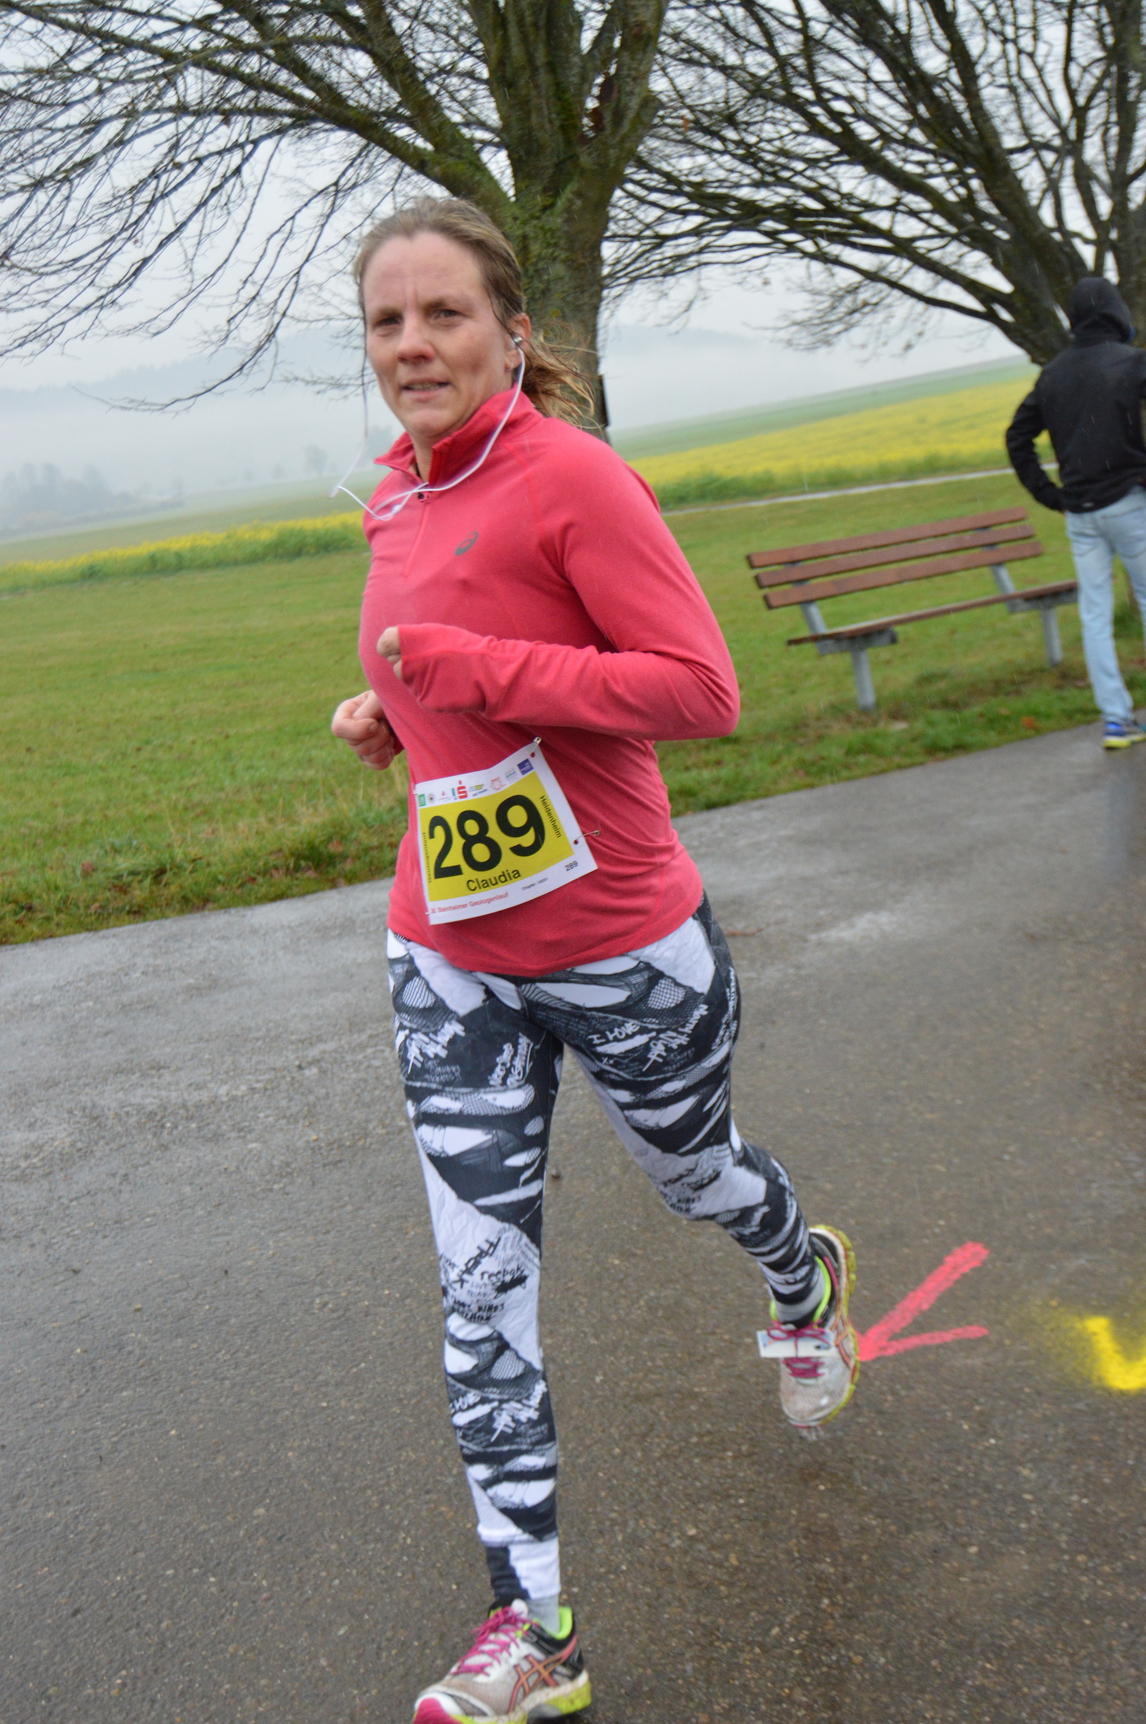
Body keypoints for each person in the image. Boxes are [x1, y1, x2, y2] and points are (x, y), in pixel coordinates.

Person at [331, 195, 859, 1724]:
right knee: (479, 1287)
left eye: (442, 313)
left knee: (695, 1179)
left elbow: (699, 690)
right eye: (385, 320)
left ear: (512, 331)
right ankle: (534, 1631)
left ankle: (801, 1275)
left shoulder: (571, 475)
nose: (412, 343)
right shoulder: (393, 498)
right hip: (448, 953)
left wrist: (483, 673)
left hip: (621, 945)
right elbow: (447, 674)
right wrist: (395, 716)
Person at [1006, 276, 1146, 750]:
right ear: (1116, 312)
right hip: (1129, 504)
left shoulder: (1053, 373)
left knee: (1094, 616)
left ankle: (1116, 720)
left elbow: (1017, 438)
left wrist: (1050, 495)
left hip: (1081, 514)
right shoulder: (1132, 362)